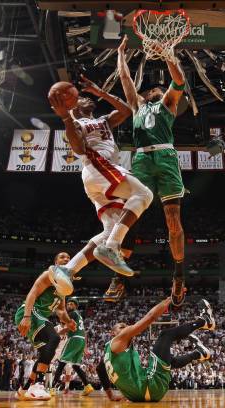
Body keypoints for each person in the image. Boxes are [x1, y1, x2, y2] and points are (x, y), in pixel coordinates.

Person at [48, 75, 153, 292]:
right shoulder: (75, 122)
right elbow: (78, 149)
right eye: (76, 99)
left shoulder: (104, 120)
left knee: (110, 229)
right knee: (144, 195)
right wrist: (65, 118)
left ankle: (67, 269)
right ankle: (113, 247)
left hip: (98, 179)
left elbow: (125, 111)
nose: (82, 98)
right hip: (98, 167)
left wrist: (101, 92)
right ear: (70, 105)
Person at [110, 34, 188, 306]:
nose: (156, 89)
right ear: (146, 94)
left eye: (160, 88)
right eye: (153, 88)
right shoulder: (137, 106)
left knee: (173, 222)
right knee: (130, 214)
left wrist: (167, 53)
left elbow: (179, 81)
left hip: (165, 157)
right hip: (142, 159)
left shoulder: (167, 104)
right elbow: (125, 80)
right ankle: (118, 277)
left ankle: (178, 276)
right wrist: (120, 54)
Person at [100, 298, 215, 402]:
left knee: (168, 361)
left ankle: (199, 354)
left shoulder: (107, 353)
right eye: (121, 328)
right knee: (165, 335)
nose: (125, 330)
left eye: (125, 328)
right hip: (151, 385)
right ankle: (204, 321)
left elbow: (99, 369)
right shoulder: (118, 340)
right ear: (112, 333)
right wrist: (170, 298)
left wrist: (110, 395)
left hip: (139, 396)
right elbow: (150, 317)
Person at [14, 252, 76, 401]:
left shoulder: (64, 285)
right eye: (62, 257)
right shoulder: (48, 275)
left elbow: (60, 310)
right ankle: (39, 384)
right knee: (54, 338)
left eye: (68, 258)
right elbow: (32, 294)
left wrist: (69, 322)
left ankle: (25, 389)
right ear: (55, 262)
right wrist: (27, 316)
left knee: (45, 355)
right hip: (30, 311)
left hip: (40, 317)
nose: (66, 259)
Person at [52, 297, 94, 396]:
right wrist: (85, 347)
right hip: (81, 340)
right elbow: (84, 332)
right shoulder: (79, 316)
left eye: (71, 304)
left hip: (74, 339)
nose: (69, 305)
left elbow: (67, 327)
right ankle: (88, 386)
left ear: (76, 306)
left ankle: (52, 388)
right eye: (68, 304)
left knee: (61, 363)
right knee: (75, 366)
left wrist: (58, 333)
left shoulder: (72, 313)